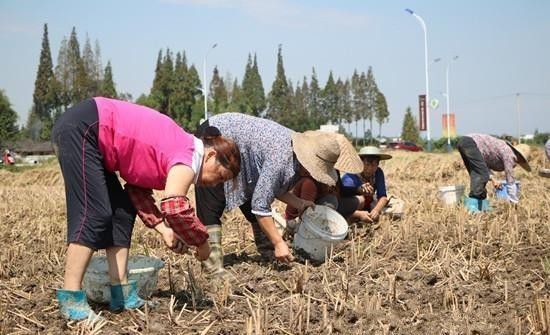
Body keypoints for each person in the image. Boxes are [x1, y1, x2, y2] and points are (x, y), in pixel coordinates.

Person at [51, 97, 240, 321]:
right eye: (219, 176)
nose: (214, 184)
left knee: (122, 211)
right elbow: (175, 207)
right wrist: (202, 243)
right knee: (94, 214)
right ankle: (71, 298)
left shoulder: (176, 155)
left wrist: (165, 230)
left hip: (94, 138)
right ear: (210, 156)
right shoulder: (190, 155)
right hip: (85, 127)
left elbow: (137, 192)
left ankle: (120, 292)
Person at [195, 113, 363, 279]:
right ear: (308, 163)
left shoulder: (295, 157)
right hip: (218, 136)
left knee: (253, 195)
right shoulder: (281, 157)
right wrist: (279, 242)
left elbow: (272, 188)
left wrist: (300, 203)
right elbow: (260, 205)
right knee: (212, 203)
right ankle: (212, 268)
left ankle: (267, 249)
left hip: (244, 154)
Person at [457, 133, 531, 212]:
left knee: (476, 173)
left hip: (464, 142)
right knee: (481, 175)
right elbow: (510, 180)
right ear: (520, 157)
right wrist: (514, 201)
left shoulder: (504, 150)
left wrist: (493, 180)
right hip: (471, 143)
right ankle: (472, 205)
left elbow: (483, 166)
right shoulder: (510, 154)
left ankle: (482, 203)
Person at [340, 146, 396, 223]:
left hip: (369, 205)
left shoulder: (378, 173)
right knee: (360, 200)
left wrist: (376, 210)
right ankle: (355, 216)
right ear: (360, 162)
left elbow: (382, 196)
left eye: (374, 165)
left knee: (396, 207)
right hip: (353, 207)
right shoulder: (350, 176)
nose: (370, 169)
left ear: (378, 165)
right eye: (367, 164)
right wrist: (359, 190)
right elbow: (343, 201)